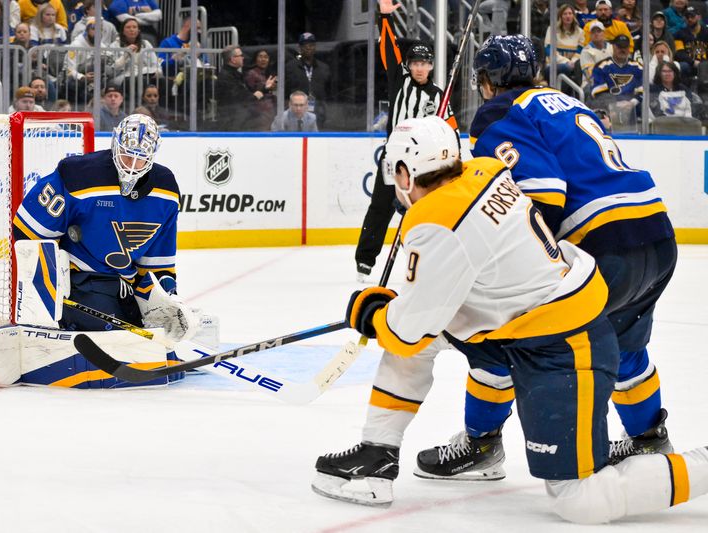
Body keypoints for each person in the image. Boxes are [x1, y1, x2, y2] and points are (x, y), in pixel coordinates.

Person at [311, 114, 708, 524]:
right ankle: (379, 453)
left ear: (405, 173)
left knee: (580, 499)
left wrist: (374, 315)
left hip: (566, 344)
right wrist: (399, 308)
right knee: (432, 334)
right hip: (522, 324)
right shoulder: (485, 170)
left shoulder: (435, 220)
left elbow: (406, 330)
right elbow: (444, 289)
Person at [416, 35, 678, 482]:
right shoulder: (564, 100)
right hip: (655, 234)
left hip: (601, 243)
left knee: (495, 332)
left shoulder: (500, 111)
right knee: (628, 342)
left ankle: (482, 441)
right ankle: (648, 439)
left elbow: (543, 195)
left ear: (488, 80)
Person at [12, 114, 197, 340]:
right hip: (79, 280)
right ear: (114, 144)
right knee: (114, 335)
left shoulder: (166, 191)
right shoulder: (79, 175)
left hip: (124, 285)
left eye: (139, 158)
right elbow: (27, 231)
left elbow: (158, 264)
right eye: (126, 154)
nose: (131, 164)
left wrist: (169, 298)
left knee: (173, 331)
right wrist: (50, 292)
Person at [354, 0, 457, 283]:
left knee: (430, 211)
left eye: (424, 63)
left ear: (431, 66)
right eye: (415, 63)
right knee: (380, 206)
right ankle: (365, 260)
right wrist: (384, 17)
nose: (419, 68)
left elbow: (450, 127)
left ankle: (431, 259)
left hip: (425, 164)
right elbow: (388, 48)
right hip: (394, 160)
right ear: (408, 65)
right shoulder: (399, 81)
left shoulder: (439, 95)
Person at [214, 45, 275, 131]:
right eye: (241, 55)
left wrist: (264, 88)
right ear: (233, 59)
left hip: (239, 120)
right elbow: (245, 98)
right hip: (232, 125)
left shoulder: (235, 74)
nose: (243, 58)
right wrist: (262, 91)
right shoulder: (226, 78)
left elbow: (247, 96)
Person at [590, 34, 644, 124]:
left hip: (633, 109)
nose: (622, 49)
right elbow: (598, 91)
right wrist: (614, 105)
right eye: (619, 46)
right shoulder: (602, 66)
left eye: (625, 47)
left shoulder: (638, 67)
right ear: (613, 47)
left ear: (629, 48)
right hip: (608, 110)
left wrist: (631, 103)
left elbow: (643, 90)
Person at [284, 32, 331, 127]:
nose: (308, 47)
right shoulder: (290, 67)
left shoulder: (324, 68)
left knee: (317, 140)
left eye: (311, 45)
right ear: (299, 48)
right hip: (295, 112)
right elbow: (285, 91)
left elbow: (329, 91)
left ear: (315, 47)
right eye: (305, 45)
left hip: (318, 113)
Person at [110, 17, 161, 91]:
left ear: (138, 31)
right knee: (140, 80)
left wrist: (157, 72)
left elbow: (156, 64)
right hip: (124, 76)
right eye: (128, 27)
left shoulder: (146, 44)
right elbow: (113, 69)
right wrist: (126, 55)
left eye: (134, 27)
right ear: (123, 31)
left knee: (164, 82)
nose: (131, 29)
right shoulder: (114, 45)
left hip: (145, 74)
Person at [543, 3, 583, 80]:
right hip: (554, 64)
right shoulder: (552, 29)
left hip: (573, 64)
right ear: (560, 16)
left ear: (573, 16)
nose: (568, 16)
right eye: (565, 14)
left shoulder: (580, 32)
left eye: (570, 13)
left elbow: (580, 51)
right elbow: (549, 50)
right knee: (566, 68)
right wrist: (566, 62)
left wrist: (573, 62)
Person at [245, 50, 278, 131]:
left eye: (266, 57)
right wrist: (266, 88)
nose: (263, 59)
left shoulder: (270, 73)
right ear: (255, 59)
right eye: (260, 56)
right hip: (258, 112)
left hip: (270, 111)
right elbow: (252, 91)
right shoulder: (251, 73)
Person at [673, 6, 708, 81]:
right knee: (683, 66)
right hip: (689, 64)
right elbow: (680, 53)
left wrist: (703, 64)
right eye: (687, 17)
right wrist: (693, 62)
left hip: (705, 64)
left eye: (692, 16)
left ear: (699, 17)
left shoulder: (706, 32)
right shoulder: (679, 34)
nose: (689, 19)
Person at [580, 21, 613, 89]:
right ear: (590, 35)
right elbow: (590, 75)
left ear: (604, 33)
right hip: (591, 84)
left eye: (599, 31)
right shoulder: (586, 51)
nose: (596, 34)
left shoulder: (612, 48)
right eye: (593, 32)